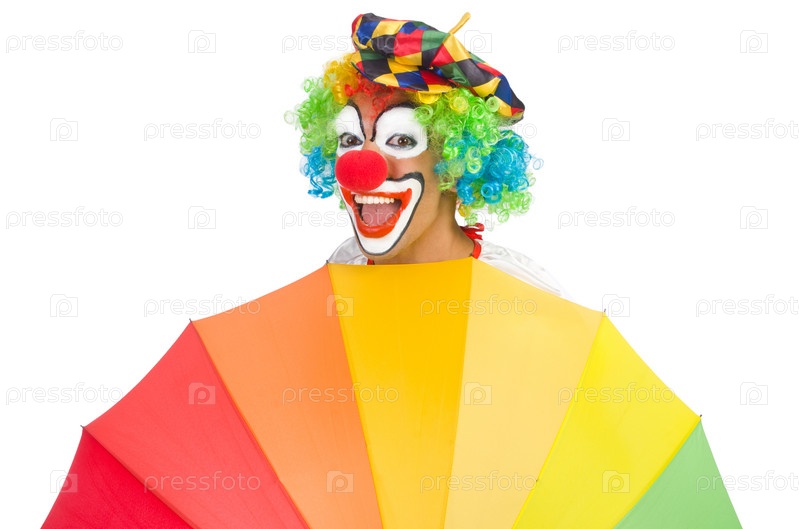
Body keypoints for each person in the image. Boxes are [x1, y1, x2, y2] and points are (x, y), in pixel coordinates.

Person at [288, 12, 567, 297]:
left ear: (457, 163)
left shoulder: (518, 296)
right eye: (349, 139)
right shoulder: (341, 275)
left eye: (401, 139)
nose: (360, 170)